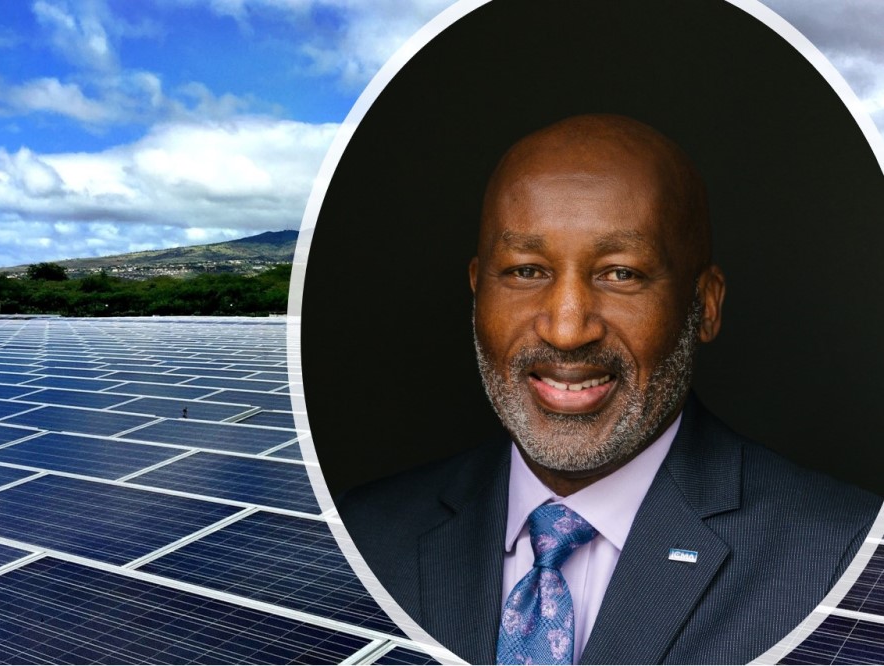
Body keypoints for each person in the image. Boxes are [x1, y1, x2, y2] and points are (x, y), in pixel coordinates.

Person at [337, 114, 882, 664]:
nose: (567, 329)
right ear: (477, 293)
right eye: (526, 271)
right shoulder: (362, 538)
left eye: (621, 273)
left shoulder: (847, 564)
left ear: (705, 305)